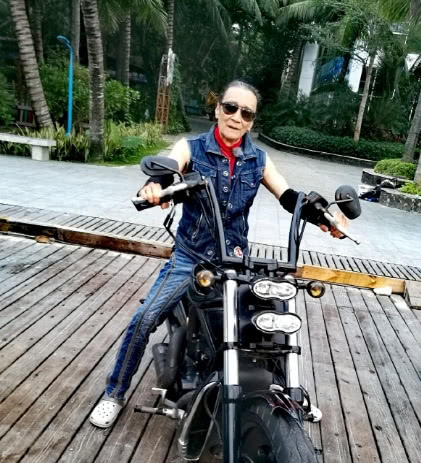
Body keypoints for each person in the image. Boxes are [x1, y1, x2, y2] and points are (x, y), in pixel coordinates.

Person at [89, 80, 347, 428]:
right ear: (217, 109)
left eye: (246, 113)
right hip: (191, 257)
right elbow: (169, 168)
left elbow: (288, 196)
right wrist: (156, 186)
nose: (237, 117)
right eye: (230, 108)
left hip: (235, 259)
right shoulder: (192, 147)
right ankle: (114, 393)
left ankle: (289, 391)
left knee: (268, 319)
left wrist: (325, 217)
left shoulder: (258, 159)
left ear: (251, 122)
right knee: (145, 318)